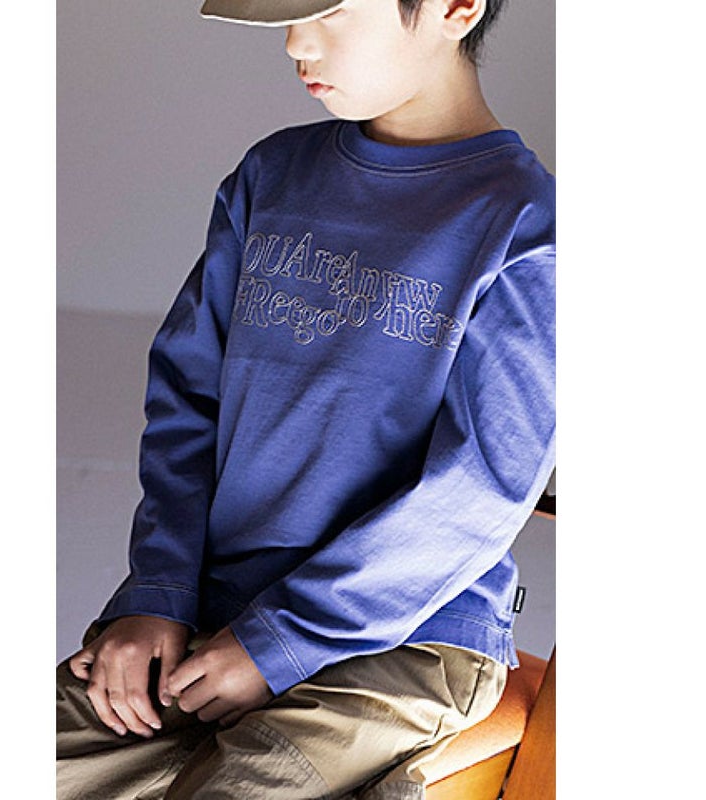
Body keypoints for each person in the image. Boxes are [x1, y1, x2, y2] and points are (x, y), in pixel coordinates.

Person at [56, 1, 556, 797]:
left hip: (409, 640)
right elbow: (187, 400)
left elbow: (481, 489)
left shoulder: (526, 226)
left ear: (455, 8)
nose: (296, 42)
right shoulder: (271, 176)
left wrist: (279, 643)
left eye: (329, 9)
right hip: (211, 609)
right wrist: (157, 592)